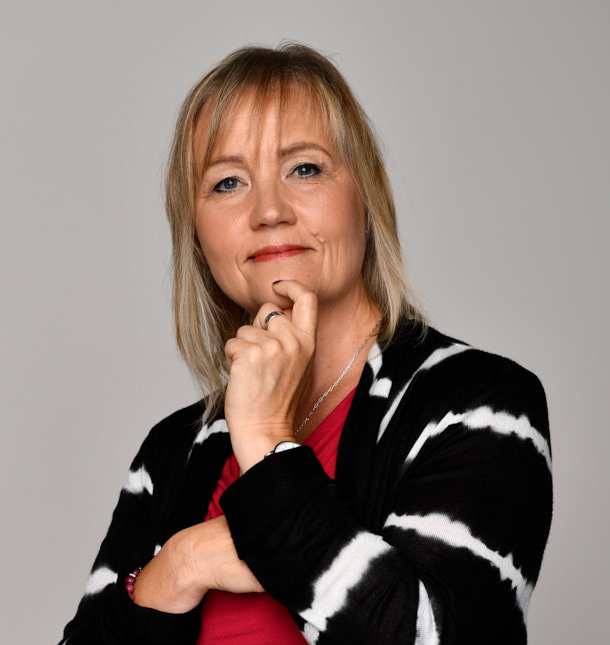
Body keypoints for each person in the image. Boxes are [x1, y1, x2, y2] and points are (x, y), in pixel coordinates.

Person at [59, 43, 552, 645]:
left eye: (305, 169)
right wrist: (181, 564)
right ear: (198, 235)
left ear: (365, 197)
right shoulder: (174, 453)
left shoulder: (480, 405)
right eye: (228, 182)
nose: (269, 210)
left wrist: (267, 445)